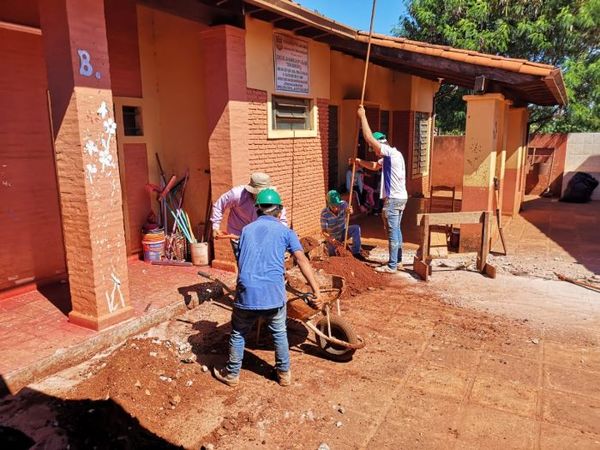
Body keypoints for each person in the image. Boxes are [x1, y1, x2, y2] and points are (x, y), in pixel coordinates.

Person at [213, 189, 322, 387]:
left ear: (257, 210)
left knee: (238, 333)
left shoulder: (246, 230)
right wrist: (316, 291)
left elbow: (243, 259)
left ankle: (232, 374)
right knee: (279, 333)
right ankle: (284, 374)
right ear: (279, 211)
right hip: (273, 293)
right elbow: (301, 259)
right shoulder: (286, 232)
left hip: (247, 292)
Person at [353, 105, 408, 273]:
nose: (375, 153)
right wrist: (359, 162)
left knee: (392, 232)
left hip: (393, 200)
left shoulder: (390, 153)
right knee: (396, 230)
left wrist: (362, 116)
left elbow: (369, 138)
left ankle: (392, 266)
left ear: (381, 145)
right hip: (401, 198)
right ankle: (397, 261)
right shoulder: (392, 156)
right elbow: (375, 166)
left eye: (375, 150)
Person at [210, 172, 288, 258]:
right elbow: (219, 205)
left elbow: (282, 219)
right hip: (239, 236)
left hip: (262, 237)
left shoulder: (271, 198)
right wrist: (215, 226)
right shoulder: (237, 194)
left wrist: (282, 237)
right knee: (244, 265)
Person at [320, 190, 365, 260]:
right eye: (333, 206)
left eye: (337, 205)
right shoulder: (324, 214)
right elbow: (324, 231)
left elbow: (350, 211)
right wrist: (330, 238)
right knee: (333, 257)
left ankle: (356, 252)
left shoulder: (343, 204)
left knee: (356, 228)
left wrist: (350, 211)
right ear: (328, 204)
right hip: (333, 238)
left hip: (343, 232)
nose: (336, 208)